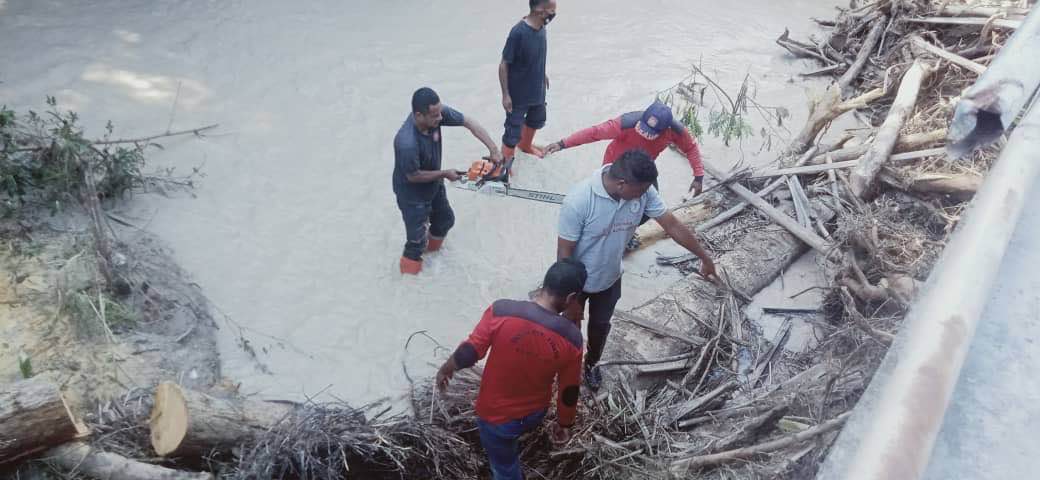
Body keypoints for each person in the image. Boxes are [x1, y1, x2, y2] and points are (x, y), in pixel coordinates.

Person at [557, 150, 717, 391]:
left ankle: (591, 365)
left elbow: (671, 224)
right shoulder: (579, 200)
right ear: (622, 184)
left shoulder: (642, 191)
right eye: (640, 192)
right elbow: (563, 252)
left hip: (610, 277)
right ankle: (567, 372)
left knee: (600, 328)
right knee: (570, 331)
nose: (644, 197)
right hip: (576, 281)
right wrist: (570, 299)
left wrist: (704, 257)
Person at [437, 258, 586, 480]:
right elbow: (569, 391)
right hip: (534, 413)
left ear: (545, 283)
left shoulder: (501, 310)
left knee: (504, 467)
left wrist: (446, 368)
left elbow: (470, 352)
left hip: (495, 417)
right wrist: (564, 424)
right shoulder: (572, 339)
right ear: (571, 298)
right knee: (511, 437)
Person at [393, 87, 500, 275]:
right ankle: (409, 284)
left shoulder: (437, 114)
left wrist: (493, 149)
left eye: (440, 113)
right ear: (419, 115)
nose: (440, 119)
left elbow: (469, 122)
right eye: (434, 116)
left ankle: (433, 257)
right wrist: (444, 173)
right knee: (416, 242)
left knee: (445, 220)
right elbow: (413, 176)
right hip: (412, 195)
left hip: (434, 182)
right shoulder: (406, 142)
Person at [544, 100, 706, 198]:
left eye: (650, 133)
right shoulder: (625, 123)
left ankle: (630, 232)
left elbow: (691, 148)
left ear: (665, 130)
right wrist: (562, 144)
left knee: (649, 205)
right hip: (615, 165)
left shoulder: (676, 131)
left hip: (642, 168)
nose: (643, 133)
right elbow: (594, 133)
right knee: (612, 200)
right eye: (643, 128)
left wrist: (698, 177)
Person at [499, 0, 557, 160]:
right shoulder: (518, 33)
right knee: (513, 130)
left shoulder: (542, 27)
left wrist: (542, 73)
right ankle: (506, 162)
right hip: (519, 94)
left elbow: (536, 54)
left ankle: (525, 146)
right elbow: (504, 64)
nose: (554, 14)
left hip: (537, 89)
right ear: (540, 10)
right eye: (551, 10)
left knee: (537, 119)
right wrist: (505, 95)